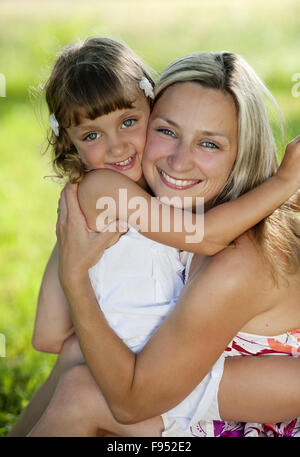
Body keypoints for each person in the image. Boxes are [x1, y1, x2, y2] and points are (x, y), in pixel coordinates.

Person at [10, 41, 300, 437]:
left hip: (258, 422)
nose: (179, 162)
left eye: (210, 143)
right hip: (191, 394)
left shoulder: (235, 253)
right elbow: (50, 336)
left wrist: (75, 276)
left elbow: (124, 399)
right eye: (167, 131)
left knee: (83, 389)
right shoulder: (148, 207)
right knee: (81, 360)